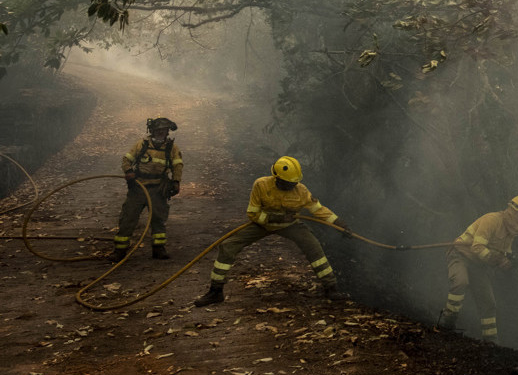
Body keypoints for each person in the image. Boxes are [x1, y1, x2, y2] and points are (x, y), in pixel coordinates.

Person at [193, 156, 351, 306]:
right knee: (228, 246)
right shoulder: (261, 185)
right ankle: (215, 291)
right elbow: (253, 213)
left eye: (294, 183)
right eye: (288, 183)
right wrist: (276, 218)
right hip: (263, 225)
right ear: (277, 178)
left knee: (314, 247)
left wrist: (339, 224)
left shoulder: (301, 190)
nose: (292, 186)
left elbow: (318, 209)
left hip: (291, 226)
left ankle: (331, 288)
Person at [440, 195, 518, 342]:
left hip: (478, 264)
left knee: (488, 302)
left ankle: (491, 341)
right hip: (460, 254)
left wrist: (511, 263)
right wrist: (495, 259)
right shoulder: (492, 220)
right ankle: (446, 324)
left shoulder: (510, 234)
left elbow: (502, 259)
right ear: (514, 211)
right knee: (461, 282)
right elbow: (477, 247)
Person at [112, 117, 184, 261]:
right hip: (138, 188)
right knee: (128, 218)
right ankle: (119, 251)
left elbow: (178, 165)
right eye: (158, 130)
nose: (161, 132)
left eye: (164, 130)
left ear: (167, 132)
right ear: (152, 131)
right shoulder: (141, 144)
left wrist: (176, 181)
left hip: (158, 189)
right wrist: (128, 171)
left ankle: (159, 249)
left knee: (158, 219)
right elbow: (126, 159)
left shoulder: (172, 148)